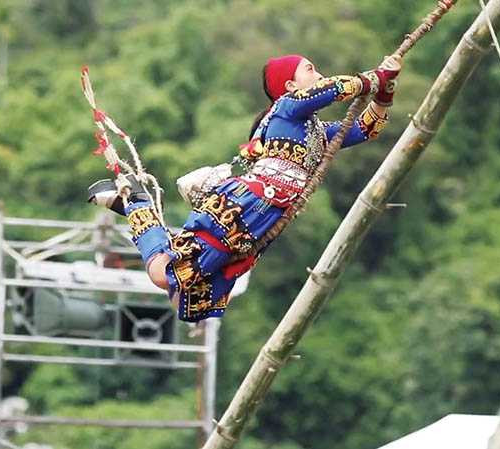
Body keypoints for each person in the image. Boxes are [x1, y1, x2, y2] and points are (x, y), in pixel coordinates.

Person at [88, 54, 402, 322]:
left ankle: (135, 205)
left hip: (263, 216)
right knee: (168, 277)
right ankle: (135, 204)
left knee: (179, 286)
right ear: (290, 86)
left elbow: (366, 128)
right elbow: (331, 89)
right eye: (310, 69)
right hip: (244, 206)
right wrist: (375, 78)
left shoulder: (318, 133)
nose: (318, 74)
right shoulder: (287, 107)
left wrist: (385, 90)